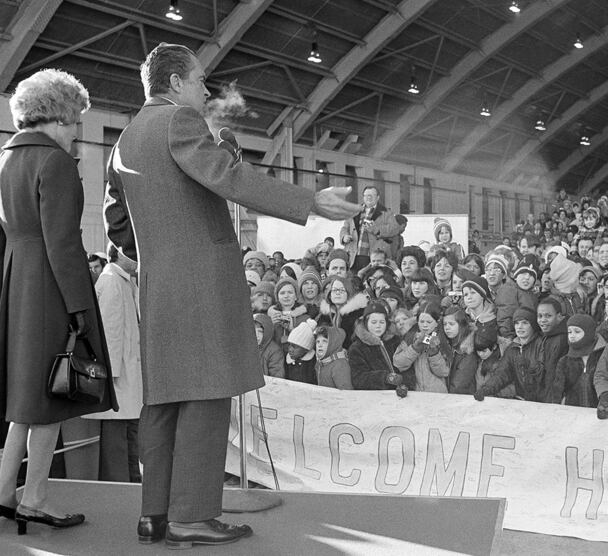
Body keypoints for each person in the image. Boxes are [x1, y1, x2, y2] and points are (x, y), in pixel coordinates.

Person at [103, 43, 359, 547]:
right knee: (207, 393)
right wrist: (310, 202)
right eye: (199, 80)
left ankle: (154, 515)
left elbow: (116, 220)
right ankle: (192, 517)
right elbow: (227, 176)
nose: (206, 89)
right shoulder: (179, 122)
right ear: (174, 83)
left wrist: (158, 252)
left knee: (163, 401)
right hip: (201, 284)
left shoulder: (126, 138)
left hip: (158, 287)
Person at [0, 69, 117, 532]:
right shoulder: (54, 165)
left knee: (24, 400)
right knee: (53, 394)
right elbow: (65, 246)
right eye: (74, 123)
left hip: (15, 285)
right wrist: (81, 311)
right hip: (50, 287)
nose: (75, 133)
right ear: (57, 116)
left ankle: (6, 492)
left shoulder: (6, 160)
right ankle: (36, 499)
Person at [84, 243, 143, 483]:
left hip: (126, 372)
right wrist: (111, 374)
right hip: (118, 375)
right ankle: (119, 483)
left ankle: (128, 481)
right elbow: (109, 333)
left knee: (127, 435)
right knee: (117, 438)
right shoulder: (110, 281)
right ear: (118, 253)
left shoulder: (124, 280)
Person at [341, 186, 404, 273]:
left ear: (378, 197)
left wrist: (377, 230)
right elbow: (345, 227)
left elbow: (394, 229)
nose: (368, 197)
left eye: (371, 195)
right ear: (363, 197)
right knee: (354, 282)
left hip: (374, 257)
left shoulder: (386, 212)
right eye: (366, 195)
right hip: (354, 255)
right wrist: (344, 237)